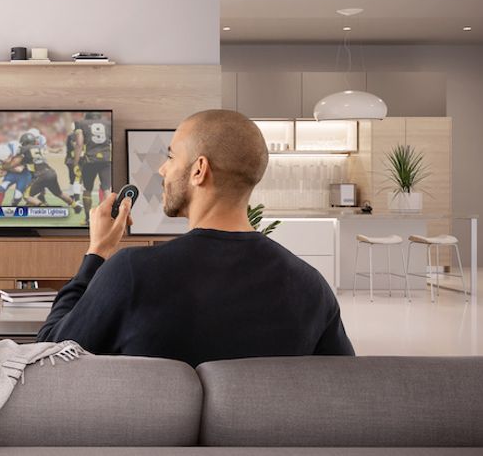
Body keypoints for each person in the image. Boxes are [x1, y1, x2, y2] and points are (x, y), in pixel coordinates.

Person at [37, 109, 354, 366]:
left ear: (199, 170)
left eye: (171, 156)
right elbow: (340, 386)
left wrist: (97, 252)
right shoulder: (310, 286)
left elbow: (48, 355)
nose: (162, 169)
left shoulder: (132, 272)